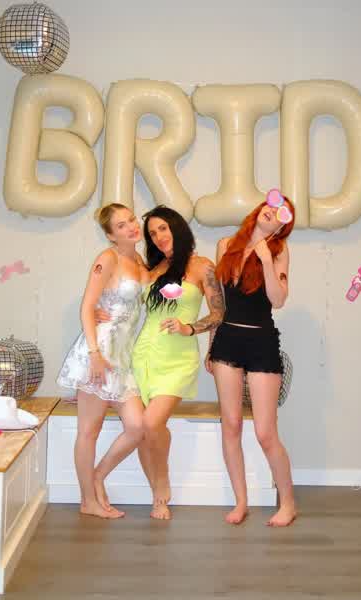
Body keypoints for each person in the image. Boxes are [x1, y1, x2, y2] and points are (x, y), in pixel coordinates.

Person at [206, 191, 297, 527]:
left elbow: (279, 299)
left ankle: (288, 503)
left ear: (283, 227)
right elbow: (218, 304)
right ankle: (241, 501)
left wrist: (267, 261)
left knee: (265, 432)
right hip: (227, 339)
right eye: (271, 205)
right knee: (230, 424)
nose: (273, 211)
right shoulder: (225, 245)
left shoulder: (279, 251)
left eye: (282, 213)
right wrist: (211, 346)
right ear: (260, 208)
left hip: (261, 340)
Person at [132, 205, 224, 520]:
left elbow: (218, 313)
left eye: (163, 228)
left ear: (177, 228)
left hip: (178, 357)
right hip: (144, 354)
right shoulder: (152, 270)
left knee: (151, 423)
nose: (158, 236)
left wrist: (190, 329)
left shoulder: (202, 266)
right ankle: (157, 494)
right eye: (152, 233)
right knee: (142, 428)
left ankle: (163, 481)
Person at [57, 203, 148, 519]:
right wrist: (94, 355)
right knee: (89, 431)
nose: (131, 227)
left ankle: (97, 476)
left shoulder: (139, 260)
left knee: (137, 426)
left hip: (122, 357)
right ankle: (88, 501)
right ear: (110, 235)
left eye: (131, 220)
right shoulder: (107, 258)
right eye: (121, 225)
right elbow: (87, 306)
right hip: (100, 353)